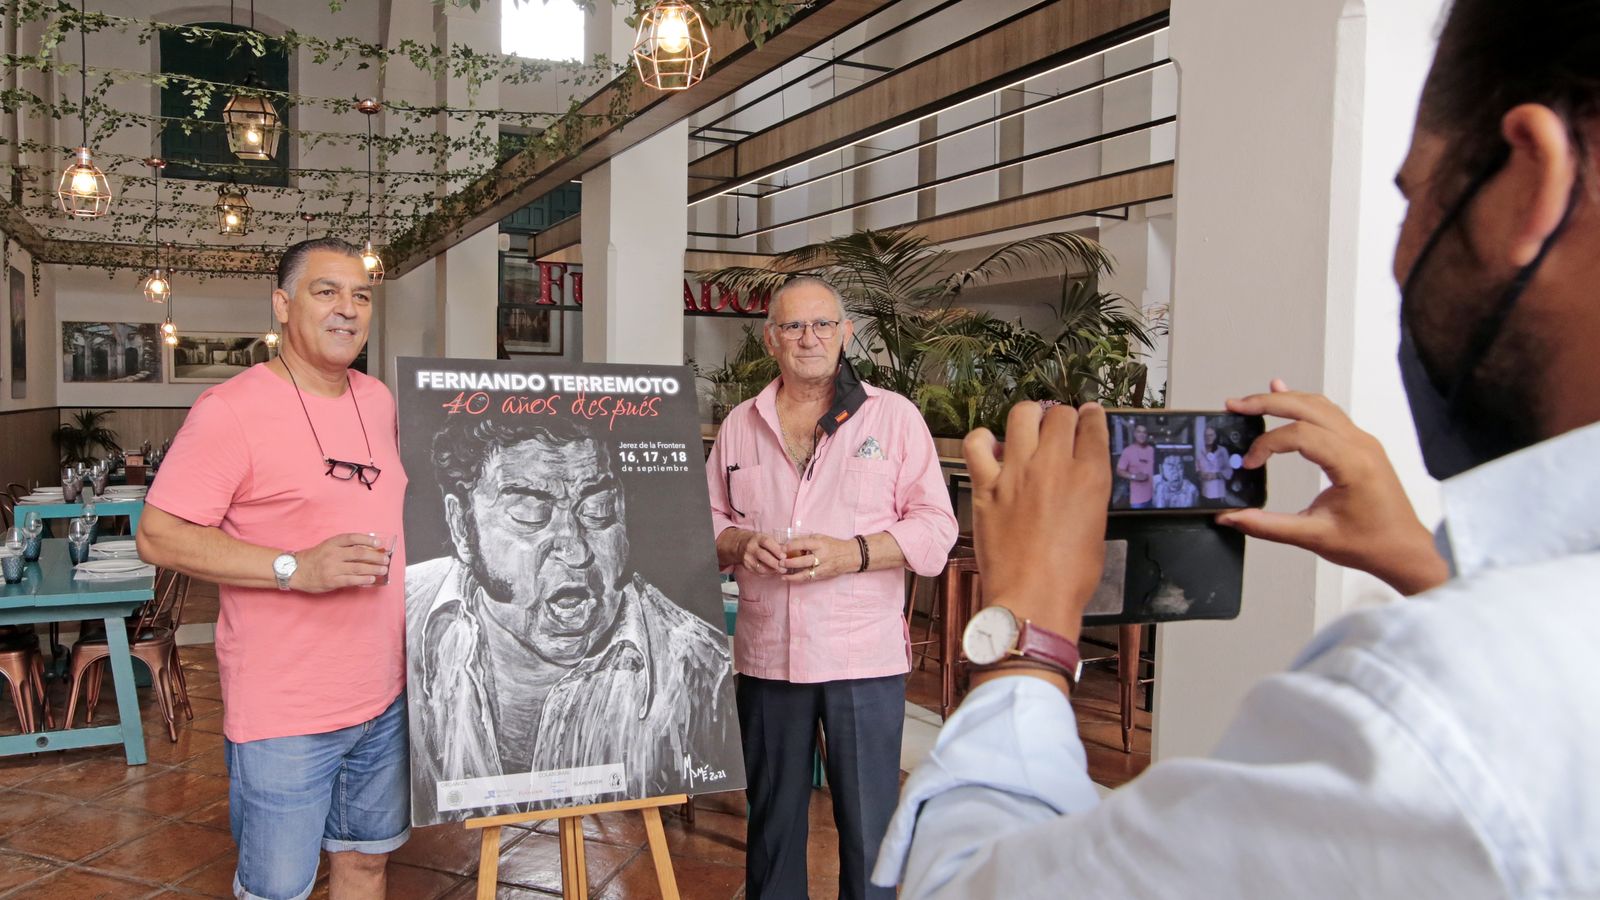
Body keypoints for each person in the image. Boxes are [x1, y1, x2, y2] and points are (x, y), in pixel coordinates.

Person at [873, 0, 1600, 895]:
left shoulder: (1426, 716)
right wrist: (1424, 565)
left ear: (1532, 180)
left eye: (1414, 196)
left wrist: (1028, 632)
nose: (1402, 254)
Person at [137, 237, 408, 900]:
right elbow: (158, 535)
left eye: (361, 295)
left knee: (366, 861)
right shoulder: (230, 411)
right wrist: (295, 566)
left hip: (388, 696)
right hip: (287, 712)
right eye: (326, 291)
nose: (347, 308)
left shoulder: (378, 400)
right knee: (277, 890)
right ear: (283, 306)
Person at [705, 275, 958, 900]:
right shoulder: (741, 424)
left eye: (822, 324)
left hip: (860, 661)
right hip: (768, 659)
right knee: (771, 831)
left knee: (870, 833)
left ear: (845, 334)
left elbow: (935, 528)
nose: (808, 338)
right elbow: (704, 521)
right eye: (793, 326)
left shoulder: (893, 418)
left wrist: (856, 553)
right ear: (771, 340)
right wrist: (738, 543)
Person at [405, 414, 736, 823]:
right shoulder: (405, 615)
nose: (577, 550)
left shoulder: (700, 669)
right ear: (461, 525)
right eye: (529, 513)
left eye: (597, 509)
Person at [1115, 422, 1155, 508]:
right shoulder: (1128, 451)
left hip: (1154, 496)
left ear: (1147, 435)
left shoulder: (1152, 450)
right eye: (1139, 432)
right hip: (1137, 500)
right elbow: (1119, 470)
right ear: (1134, 434)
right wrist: (1134, 476)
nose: (1142, 435)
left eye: (1144, 432)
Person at [1194, 425, 1233, 504]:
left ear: (1215, 436)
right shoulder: (1200, 451)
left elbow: (1229, 471)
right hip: (1204, 492)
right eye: (1206, 435)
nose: (1208, 437)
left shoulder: (1222, 450)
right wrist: (1200, 474)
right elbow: (1197, 468)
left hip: (1217, 494)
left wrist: (1215, 475)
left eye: (1211, 435)